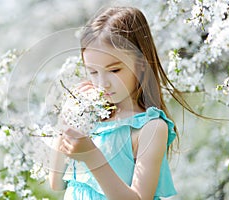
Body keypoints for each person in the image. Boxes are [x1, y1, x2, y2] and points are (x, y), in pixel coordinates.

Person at [49, 6, 194, 200]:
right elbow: (56, 183)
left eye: (114, 70)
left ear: (141, 64)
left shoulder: (150, 128)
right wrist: (66, 120)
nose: (102, 83)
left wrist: (92, 155)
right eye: (93, 72)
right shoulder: (91, 119)